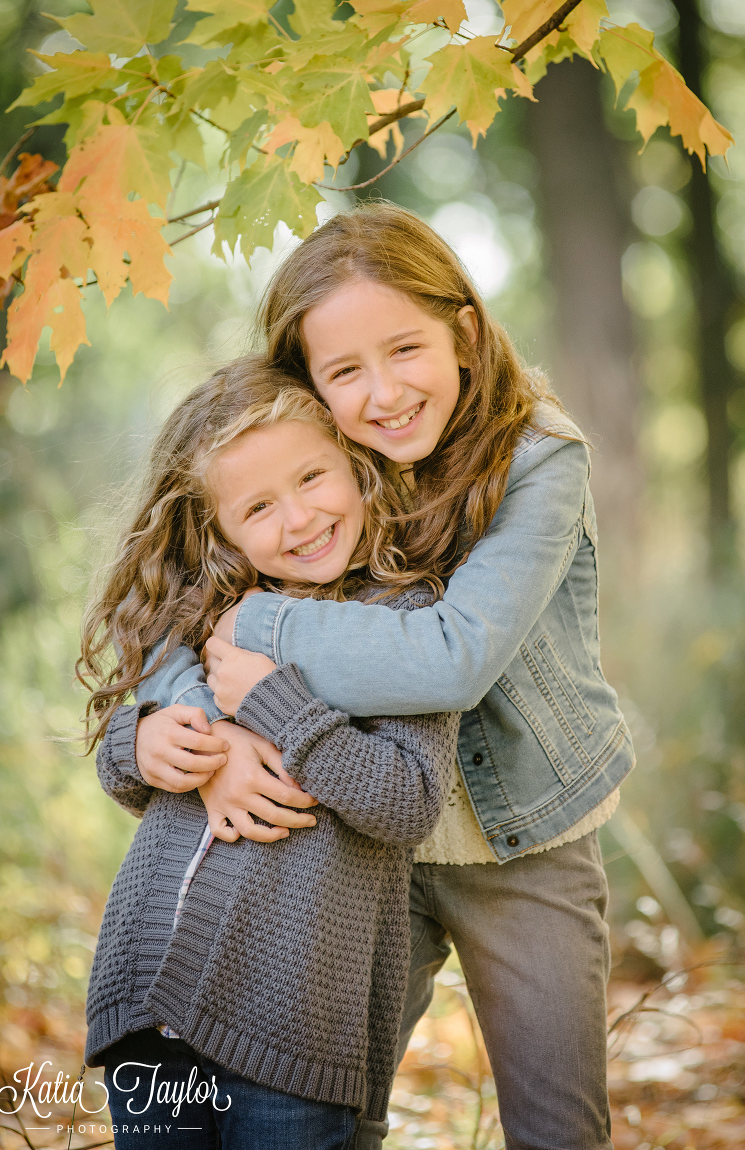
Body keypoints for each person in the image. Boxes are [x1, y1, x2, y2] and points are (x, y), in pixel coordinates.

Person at [140, 204, 635, 1150]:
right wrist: (201, 724)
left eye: (405, 348)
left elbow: (454, 656)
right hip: (360, 837)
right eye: (344, 372)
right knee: (329, 1116)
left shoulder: (538, 460)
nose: (384, 393)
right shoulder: (316, 464)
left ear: (465, 330)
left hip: (521, 841)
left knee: (557, 1128)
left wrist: (264, 627)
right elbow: (179, 603)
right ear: (308, 386)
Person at [77, 357, 460, 1150]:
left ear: (356, 467)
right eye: (257, 506)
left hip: (293, 1022)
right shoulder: (200, 609)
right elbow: (124, 761)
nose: (298, 519)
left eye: (313, 477)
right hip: (144, 992)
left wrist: (275, 705)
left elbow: (407, 800)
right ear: (218, 530)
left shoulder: (406, 617)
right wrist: (143, 739)